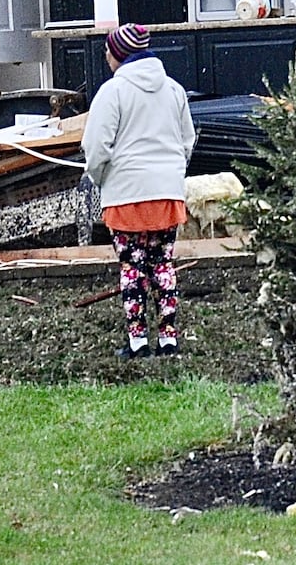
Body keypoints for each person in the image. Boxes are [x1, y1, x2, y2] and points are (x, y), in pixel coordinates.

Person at [83, 23, 197, 359]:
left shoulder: (112, 93)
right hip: (166, 196)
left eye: (108, 51)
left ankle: (137, 342)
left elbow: (97, 147)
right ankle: (168, 339)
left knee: (132, 269)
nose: (106, 57)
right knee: (163, 264)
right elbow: (186, 141)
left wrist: (102, 178)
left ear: (119, 54)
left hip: (125, 197)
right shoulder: (174, 90)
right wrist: (172, 175)